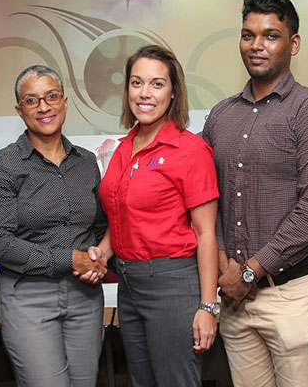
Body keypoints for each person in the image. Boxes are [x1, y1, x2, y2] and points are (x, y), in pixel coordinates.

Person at [202, 0, 308, 387]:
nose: (256, 45)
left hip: (292, 296)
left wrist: (250, 271)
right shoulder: (221, 115)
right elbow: (207, 198)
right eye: (248, 35)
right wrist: (223, 266)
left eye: (271, 35)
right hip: (235, 296)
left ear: (294, 43)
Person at [87, 45, 220, 387]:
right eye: (136, 83)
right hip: (129, 286)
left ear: (174, 92)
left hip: (172, 285)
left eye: (157, 84)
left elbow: (206, 233)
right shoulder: (123, 147)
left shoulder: (191, 151)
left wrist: (208, 306)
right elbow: (120, 214)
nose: (144, 93)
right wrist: (102, 252)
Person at [0, 65, 108, 387]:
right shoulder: (4, 165)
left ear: (64, 102)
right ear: (19, 110)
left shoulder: (87, 162)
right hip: (28, 298)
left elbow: (100, 225)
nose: (44, 107)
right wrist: (70, 259)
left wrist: (97, 259)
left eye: (51, 97)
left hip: (85, 296)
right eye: (32, 100)